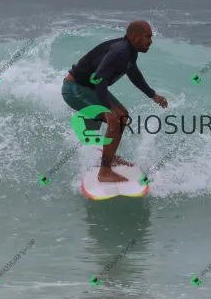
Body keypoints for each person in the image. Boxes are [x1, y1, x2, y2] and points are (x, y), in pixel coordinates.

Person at [62, 21, 168, 183]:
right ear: (135, 36)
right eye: (148, 37)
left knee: (122, 115)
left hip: (90, 87)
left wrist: (152, 95)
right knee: (115, 118)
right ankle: (104, 172)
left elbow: (133, 73)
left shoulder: (130, 52)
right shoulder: (120, 51)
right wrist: (107, 108)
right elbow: (99, 78)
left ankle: (109, 159)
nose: (151, 41)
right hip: (75, 89)